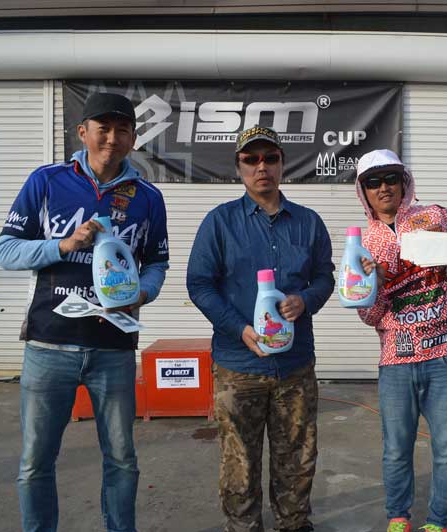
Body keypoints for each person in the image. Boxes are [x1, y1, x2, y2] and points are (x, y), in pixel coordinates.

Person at [0, 92, 170, 532]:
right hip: (48, 344)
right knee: (36, 461)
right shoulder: (47, 181)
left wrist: (143, 293)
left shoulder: (147, 196)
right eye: (103, 128)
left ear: (133, 138)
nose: (112, 138)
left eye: (122, 129)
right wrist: (64, 245)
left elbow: (157, 262)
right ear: (82, 132)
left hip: (113, 346)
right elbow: (7, 251)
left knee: (122, 459)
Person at [186, 126, 335, 532]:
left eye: (270, 158)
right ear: (238, 168)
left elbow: (325, 277)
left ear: (283, 164)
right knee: (240, 462)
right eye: (251, 160)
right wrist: (239, 328)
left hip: (294, 365)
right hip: (238, 366)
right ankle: (243, 527)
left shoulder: (308, 223)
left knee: (298, 458)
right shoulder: (220, 223)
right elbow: (199, 284)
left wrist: (306, 299)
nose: (261, 167)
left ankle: (294, 523)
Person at [353, 149, 447, 532]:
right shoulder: (362, 245)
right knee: (396, 451)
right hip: (396, 362)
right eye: (373, 182)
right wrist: (376, 283)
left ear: (404, 182)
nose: (383, 188)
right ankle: (398, 518)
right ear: (363, 191)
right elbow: (368, 316)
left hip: (446, 355)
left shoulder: (435, 217)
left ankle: (438, 522)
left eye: (390, 178)